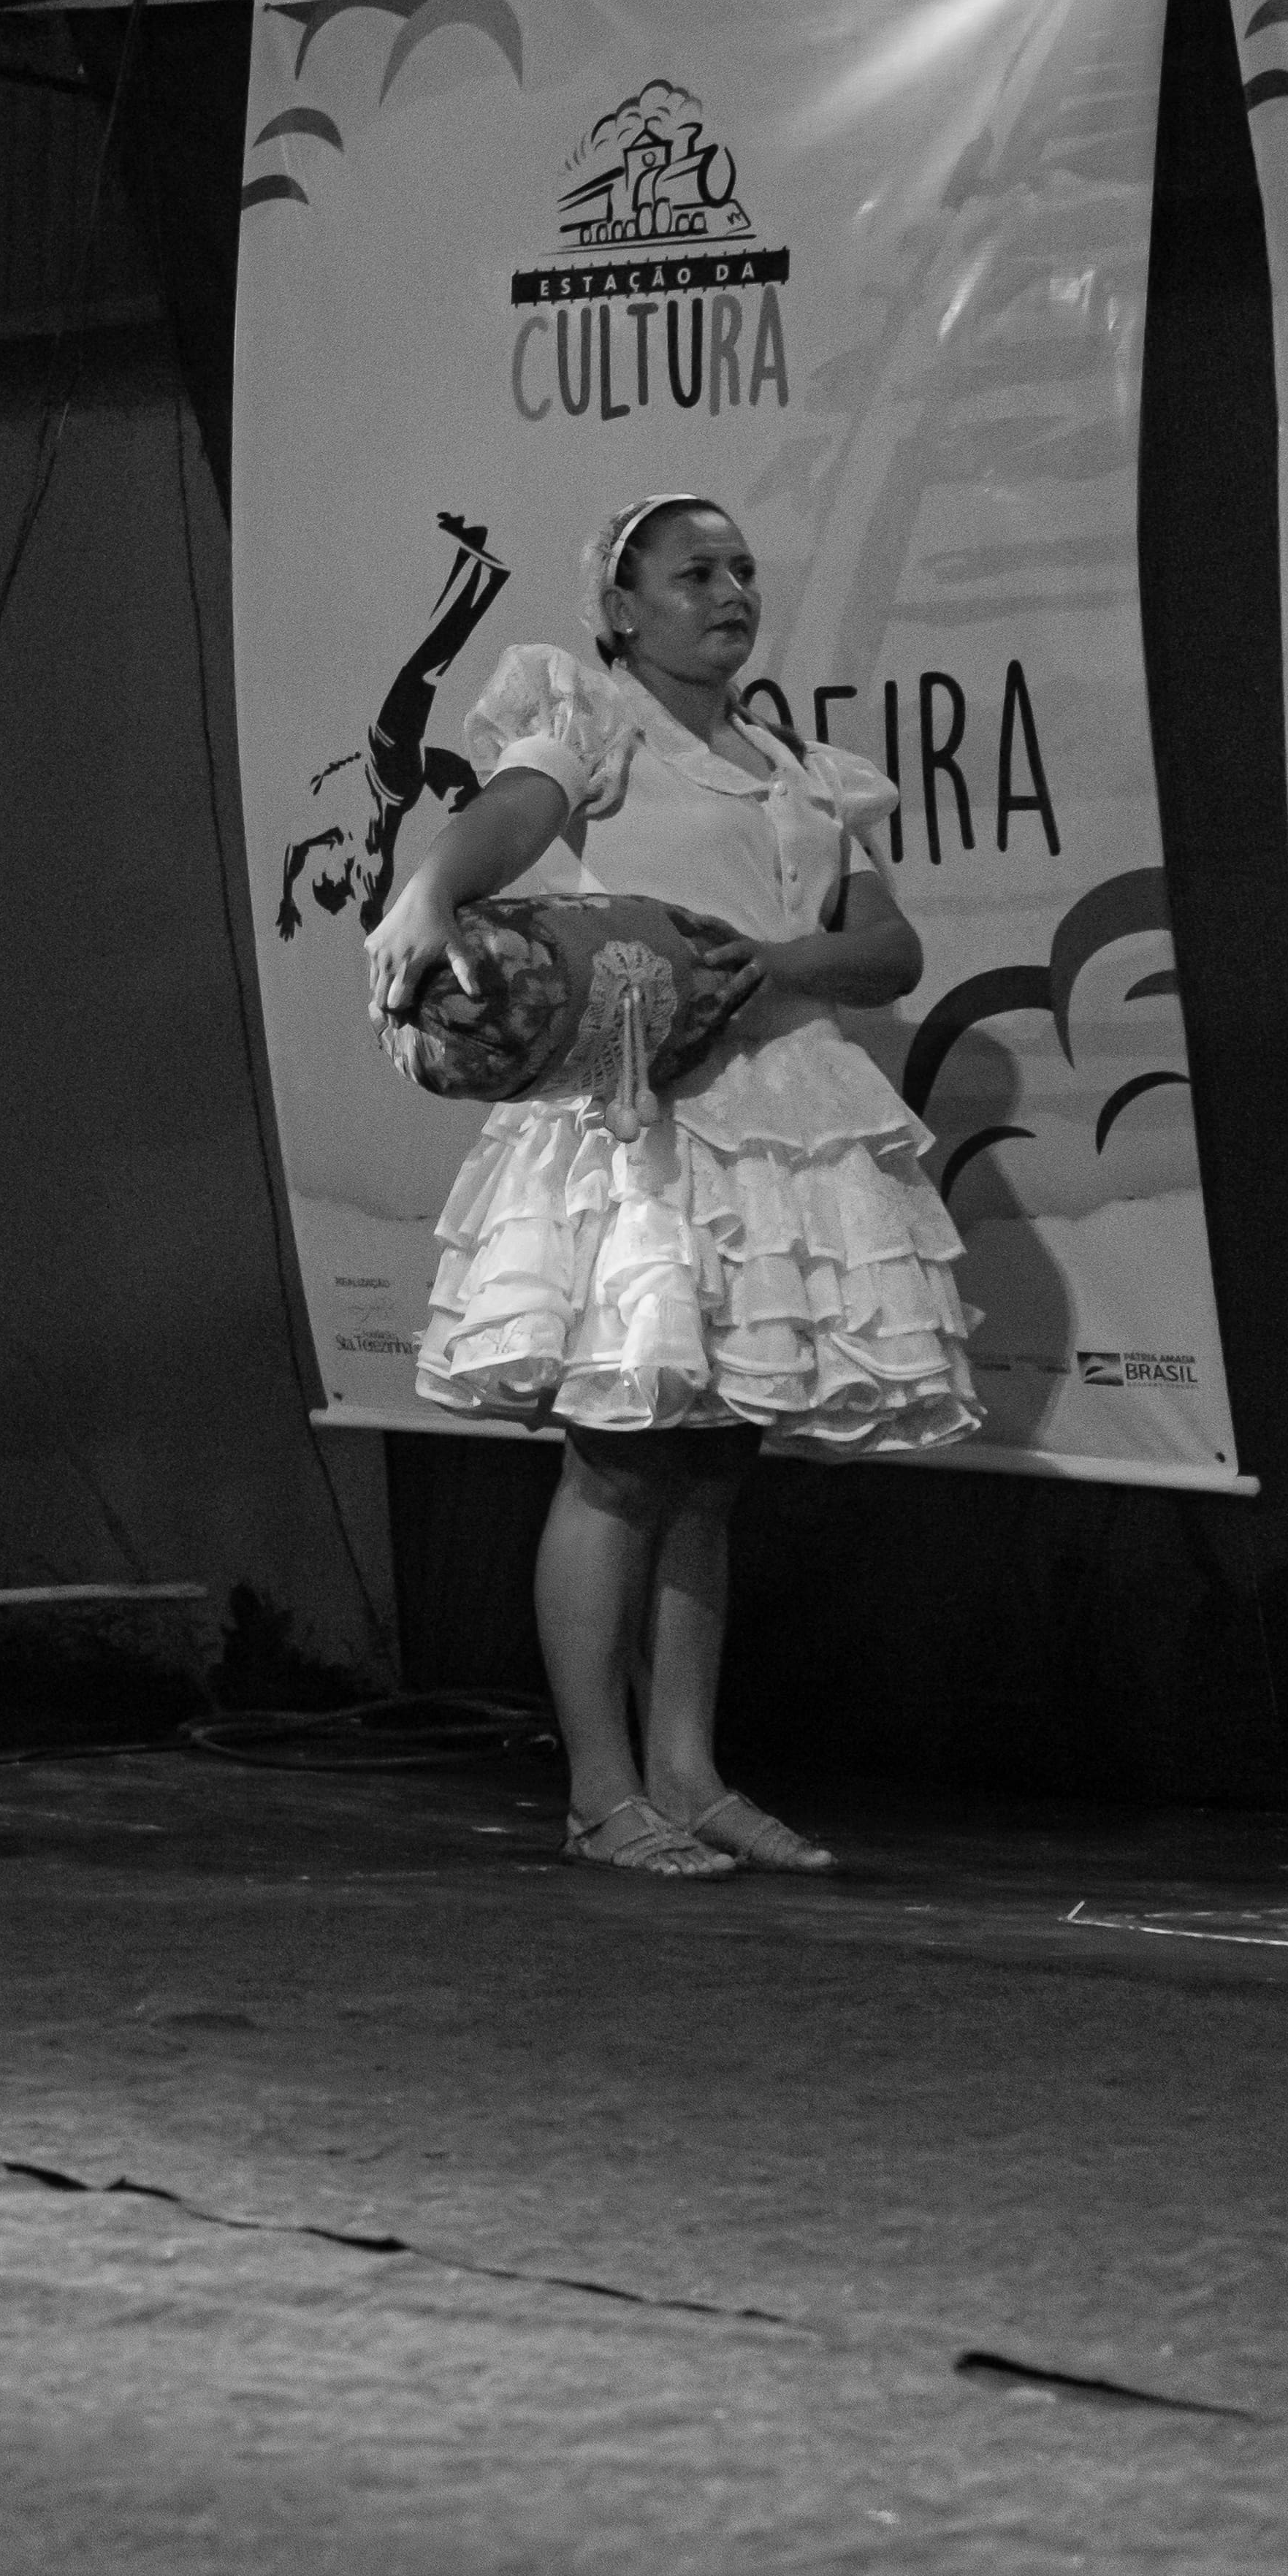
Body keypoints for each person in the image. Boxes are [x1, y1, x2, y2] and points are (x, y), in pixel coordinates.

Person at [363, 492, 972, 1881]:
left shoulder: (802, 766)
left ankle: (688, 1773)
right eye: (696, 572)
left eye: (744, 569)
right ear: (622, 608)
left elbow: (887, 949)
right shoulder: (595, 726)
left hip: (779, 1125)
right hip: (648, 1126)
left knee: (713, 1460)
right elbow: (509, 817)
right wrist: (430, 892)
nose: (731, 591)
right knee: (625, 1454)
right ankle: (600, 1790)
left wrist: (775, 960)